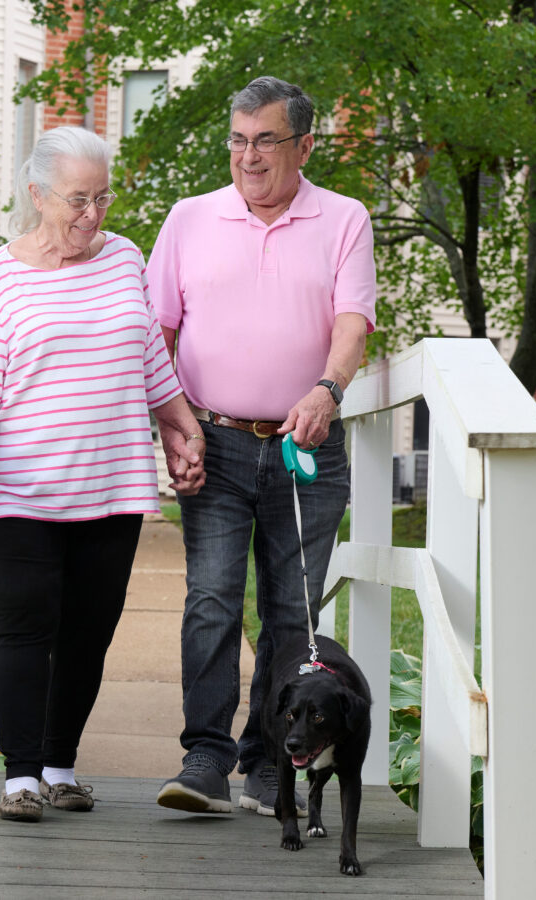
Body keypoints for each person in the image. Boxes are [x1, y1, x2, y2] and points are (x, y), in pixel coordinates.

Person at [0, 125, 206, 823]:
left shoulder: (123, 258)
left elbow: (148, 354)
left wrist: (182, 423)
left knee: (89, 630)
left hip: (110, 485)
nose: (94, 215)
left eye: (104, 198)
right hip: (19, 488)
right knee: (24, 626)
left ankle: (60, 766)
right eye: (78, 200)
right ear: (37, 194)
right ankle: (21, 777)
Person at [147, 77, 376, 815]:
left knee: (291, 615)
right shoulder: (189, 219)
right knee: (211, 600)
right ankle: (205, 757)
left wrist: (327, 389)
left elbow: (352, 323)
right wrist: (172, 426)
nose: (249, 156)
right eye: (239, 140)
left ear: (304, 145)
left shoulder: (344, 219)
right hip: (213, 438)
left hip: (306, 445)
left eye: (266, 141)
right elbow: (158, 337)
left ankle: (271, 761)